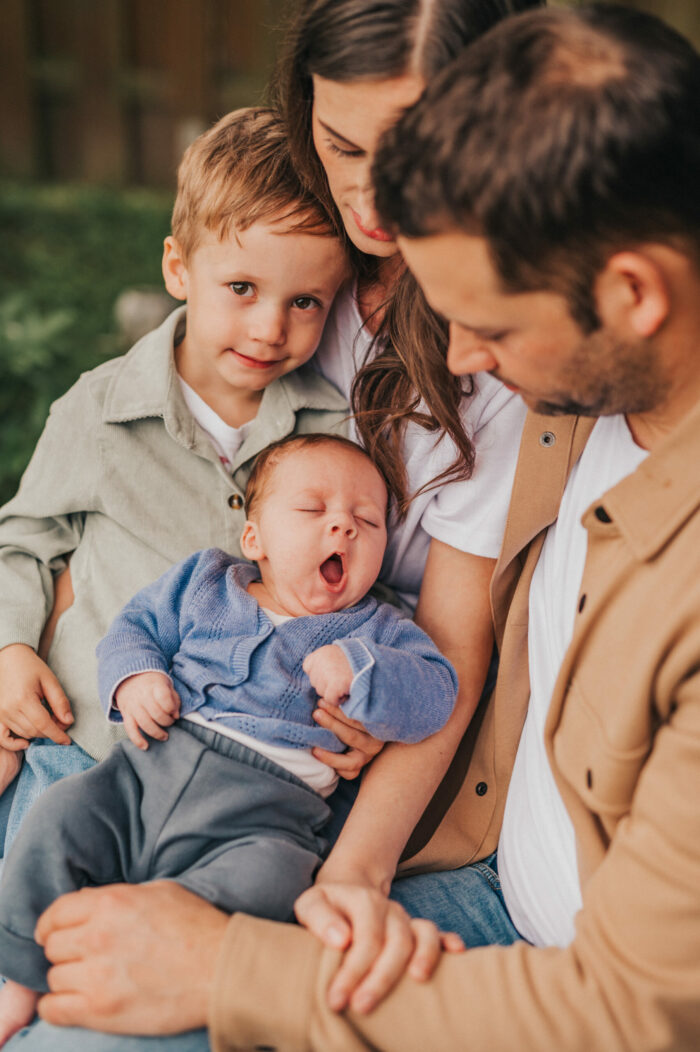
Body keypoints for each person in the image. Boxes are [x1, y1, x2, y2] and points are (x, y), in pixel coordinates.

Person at [12, 4, 700, 1050]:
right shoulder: (579, 385)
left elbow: (628, 1006)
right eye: (343, 147)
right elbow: (149, 488)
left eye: (494, 324)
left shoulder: (551, 399)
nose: (458, 354)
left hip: (445, 902)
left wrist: (256, 944)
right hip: (181, 762)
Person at [0, 433, 459, 1043]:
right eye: (312, 510)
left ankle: (146, 948)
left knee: (271, 884)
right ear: (255, 538)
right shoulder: (205, 582)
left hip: (265, 817)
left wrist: (364, 672)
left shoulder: (380, 628)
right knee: (55, 816)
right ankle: (23, 977)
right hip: (141, 775)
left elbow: (437, 692)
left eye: (367, 521)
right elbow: (133, 629)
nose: (343, 528)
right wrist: (136, 678)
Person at [0, 106, 350, 840]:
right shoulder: (100, 411)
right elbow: (24, 540)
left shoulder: (334, 430)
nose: (269, 328)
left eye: (305, 302)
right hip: (87, 741)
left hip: (243, 775)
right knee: (32, 917)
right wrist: (9, 649)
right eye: (242, 288)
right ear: (178, 268)